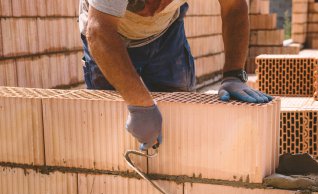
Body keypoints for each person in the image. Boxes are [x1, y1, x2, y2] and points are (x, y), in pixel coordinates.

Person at [79, 0, 272, 150]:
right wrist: (139, 103)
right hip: (107, 36)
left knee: (180, 130)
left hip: (166, 34)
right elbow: (99, 31)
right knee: (110, 139)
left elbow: (234, 7)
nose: (153, 10)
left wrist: (234, 75)